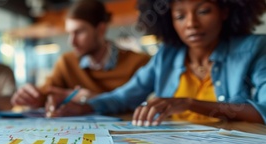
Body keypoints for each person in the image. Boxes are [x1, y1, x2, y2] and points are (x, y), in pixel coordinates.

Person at [47, 0, 266, 126]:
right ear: (168, 20)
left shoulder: (254, 49)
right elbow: (124, 96)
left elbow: (263, 110)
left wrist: (190, 103)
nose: (191, 24)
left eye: (203, 11)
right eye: (180, 16)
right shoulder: (166, 55)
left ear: (225, 10)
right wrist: (83, 107)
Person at [11, 0, 150, 109]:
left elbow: (149, 104)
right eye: (70, 33)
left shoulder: (139, 63)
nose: (72, 41)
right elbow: (45, 93)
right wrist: (31, 96)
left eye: (79, 32)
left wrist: (91, 99)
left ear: (100, 29)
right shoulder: (66, 62)